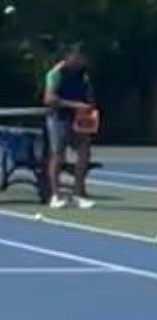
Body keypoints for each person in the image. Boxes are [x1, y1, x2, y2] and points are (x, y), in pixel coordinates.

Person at [44, 44, 97, 210]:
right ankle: (55, 195)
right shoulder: (55, 73)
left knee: (84, 153)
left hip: (79, 120)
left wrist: (89, 106)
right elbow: (49, 99)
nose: (81, 58)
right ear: (68, 56)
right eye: (78, 55)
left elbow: (88, 95)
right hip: (58, 118)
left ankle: (77, 194)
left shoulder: (83, 74)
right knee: (58, 155)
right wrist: (74, 105)